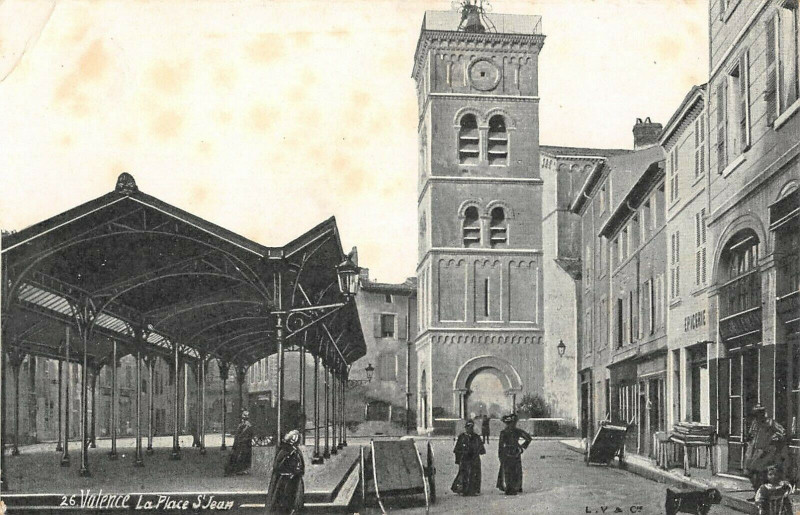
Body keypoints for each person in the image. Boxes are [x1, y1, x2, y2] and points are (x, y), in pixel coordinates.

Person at [744, 404, 788, 496]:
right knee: (750, 472)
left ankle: (761, 494)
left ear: (763, 413)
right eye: (756, 413)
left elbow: (782, 432)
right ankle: (757, 493)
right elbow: (751, 434)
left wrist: (774, 438)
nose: (757, 415)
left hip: (766, 451)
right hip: (754, 451)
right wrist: (749, 438)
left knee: (761, 474)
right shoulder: (755, 423)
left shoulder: (771, 423)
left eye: (759, 413)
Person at [268, 429, 305, 514]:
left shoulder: (296, 451)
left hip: (295, 480)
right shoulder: (285, 451)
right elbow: (278, 466)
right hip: (285, 481)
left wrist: (297, 471)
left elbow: (301, 465)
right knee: (284, 501)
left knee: (294, 502)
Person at [496, 413, 532, 496]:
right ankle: (509, 487)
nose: (512, 425)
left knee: (515, 470)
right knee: (508, 471)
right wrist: (500, 455)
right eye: (510, 423)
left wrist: (522, 447)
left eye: (513, 423)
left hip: (514, 452)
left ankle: (516, 487)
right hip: (508, 453)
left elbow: (528, 438)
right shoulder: (504, 432)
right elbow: (500, 445)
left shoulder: (516, 431)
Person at [451, 419, 486, 496]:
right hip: (465, 458)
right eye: (468, 427)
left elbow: (482, 450)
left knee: (475, 474)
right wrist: (458, 460)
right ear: (466, 428)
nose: (469, 429)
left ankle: (474, 490)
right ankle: (464, 489)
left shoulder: (476, 437)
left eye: (471, 427)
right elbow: (457, 449)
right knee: (464, 474)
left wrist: (478, 451)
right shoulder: (462, 437)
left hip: (474, 458)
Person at [225, 410, 254, 476]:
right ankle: (238, 469)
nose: (243, 420)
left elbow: (247, 435)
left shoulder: (247, 426)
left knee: (241, 456)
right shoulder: (243, 425)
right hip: (241, 443)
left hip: (243, 443)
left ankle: (239, 470)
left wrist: (241, 439)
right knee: (239, 456)